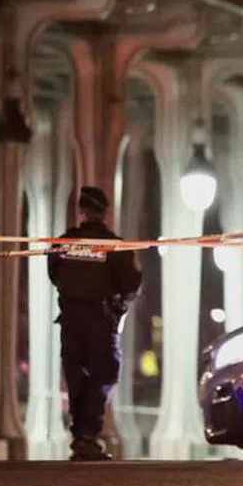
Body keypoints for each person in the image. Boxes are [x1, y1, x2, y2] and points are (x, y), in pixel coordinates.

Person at [47, 186, 141, 461]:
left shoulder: (64, 243)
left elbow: (54, 273)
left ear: (81, 211)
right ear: (105, 212)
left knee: (76, 376)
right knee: (104, 373)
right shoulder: (114, 245)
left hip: (71, 318)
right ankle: (87, 435)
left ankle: (80, 435)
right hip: (101, 320)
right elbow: (131, 283)